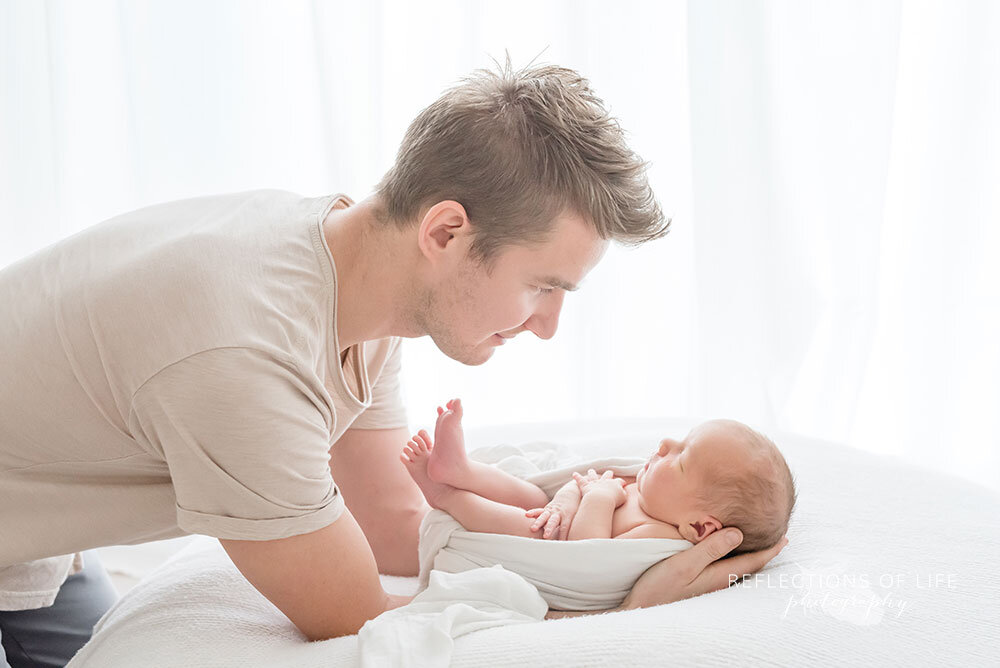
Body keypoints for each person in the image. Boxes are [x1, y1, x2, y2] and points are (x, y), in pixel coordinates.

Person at [0, 59, 787, 661]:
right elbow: (357, 623)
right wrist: (631, 613)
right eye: (542, 286)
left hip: (36, 546)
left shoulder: (354, 283)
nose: (547, 327)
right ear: (446, 232)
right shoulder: (245, 357)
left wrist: (614, 532)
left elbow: (392, 526)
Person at [402, 399, 795, 553]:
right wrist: (572, 496)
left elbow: (588, 551)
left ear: (700, 527)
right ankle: (462, 470)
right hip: (560, 510)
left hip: (555, 544)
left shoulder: (661, 535)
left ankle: (446, 495)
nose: (663, 444)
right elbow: (580, 481)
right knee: (533, 497)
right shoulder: (653, 496)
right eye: (681, 439)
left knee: (525, 525)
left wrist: (600, 497)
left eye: (679, 459)